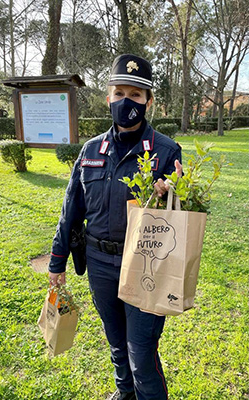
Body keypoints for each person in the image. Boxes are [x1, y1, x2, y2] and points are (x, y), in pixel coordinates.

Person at [48, 54, 182, 400]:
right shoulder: (91, 150)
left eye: (136, 95)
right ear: (108, 97)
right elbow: (72, 207)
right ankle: (124, 394)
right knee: (116, 342)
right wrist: (57, 260)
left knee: (141, 350)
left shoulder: (166, 151)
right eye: (119, 92)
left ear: (149, 101)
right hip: (99, 263)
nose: (127, 102)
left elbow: (184, 215)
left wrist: (172, 193)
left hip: (145, 266)